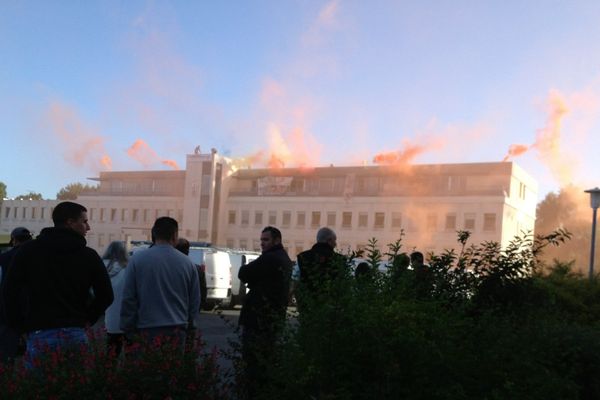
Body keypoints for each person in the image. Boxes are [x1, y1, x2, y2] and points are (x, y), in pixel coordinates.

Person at [2, 202, 114, 366]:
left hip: (39, 332)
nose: (88, 227)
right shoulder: (88, 255)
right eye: (84, 221)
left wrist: (19, 327)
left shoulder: (28, 251)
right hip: (75, 332)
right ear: (70, 222)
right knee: (73, 386)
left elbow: (9, 292)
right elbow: (106, 295)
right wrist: (87, 319)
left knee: (39, 389)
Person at [120, 217, 200, 351]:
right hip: (177, 330)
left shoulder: (137, 260)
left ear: (154, 234)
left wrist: (128, 328)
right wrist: (190, 327)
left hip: (144, 329)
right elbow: (194, 301)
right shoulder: (188, 264)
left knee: (145, 369)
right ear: (175, 235)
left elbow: (129, 297)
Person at [238, 226, 293, 398]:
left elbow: (243, 272)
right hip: (271, 318)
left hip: (258, 319)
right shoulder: (282, 258)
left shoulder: (270, 259)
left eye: (266, 240)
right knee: (266, 361)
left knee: (255, 364)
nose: (262, 243)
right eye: (261, 240)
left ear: (277, 240)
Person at [0, 227, 33, 365]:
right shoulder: (38, 257)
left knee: (7, 351)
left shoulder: (3, 258)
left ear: (13, 240)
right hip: (32, 308)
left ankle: (8, 379)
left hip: (7, 309)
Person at [296, 227, 346, 296]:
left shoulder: (302, 257)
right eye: (334, 240)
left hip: (308, 301)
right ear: (329, 240)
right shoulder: (340, 260)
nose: (335, 244)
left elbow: (298, 280)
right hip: (330, 301)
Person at [102, 241, 128, 357]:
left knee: (110, 353)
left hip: (107, 316)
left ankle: (108, 373)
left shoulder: (102, 265)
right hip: (126, 316)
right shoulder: (127, 268)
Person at [175, 238, 207, 309]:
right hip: (187, 308)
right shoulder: (196, 269)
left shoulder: (167, 267)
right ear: (188, 251)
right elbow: (202, 291)